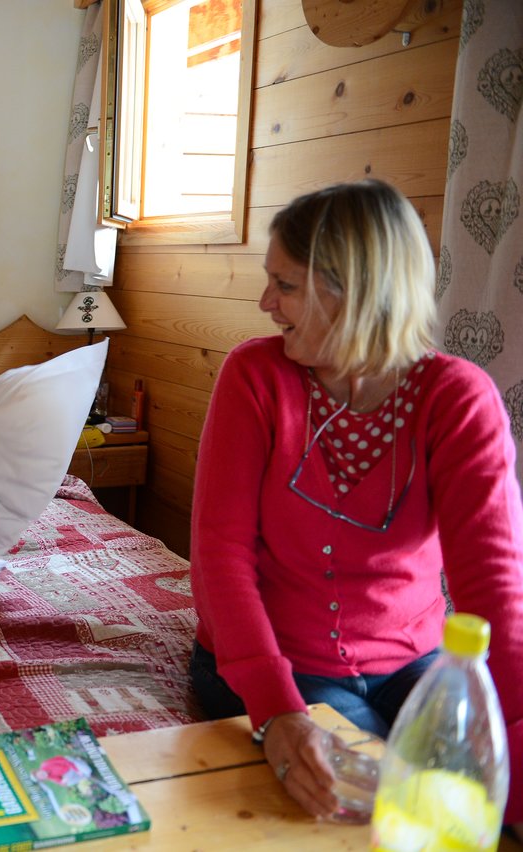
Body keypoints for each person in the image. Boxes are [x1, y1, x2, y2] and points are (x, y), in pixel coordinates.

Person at [188, 179, 523, 824]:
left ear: (358, 292)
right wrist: (278, 710)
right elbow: (219, 559)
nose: (266, 303)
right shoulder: (255, 377)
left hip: (415, 666)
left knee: (479, 798)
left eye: (285, 286)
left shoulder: (457, 398)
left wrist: (513, 729)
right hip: (279, 668)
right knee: (365, 803)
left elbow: (495, 589)